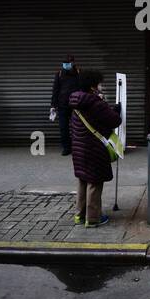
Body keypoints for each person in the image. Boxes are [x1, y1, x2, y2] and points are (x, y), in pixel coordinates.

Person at [69, 69, 122, 228]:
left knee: (83, 180)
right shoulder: (96, 103)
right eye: (99, 83)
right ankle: (93, 219)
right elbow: (114, 121)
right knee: (95, 182)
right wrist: (115, 110)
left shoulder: (77, 101)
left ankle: (79, 215)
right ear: (92, 86)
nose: (101, 86)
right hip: (93, 149)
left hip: (79, 148)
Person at [49, 55, 82, 156]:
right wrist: (53, 105)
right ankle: (66, 148)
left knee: (78, 127)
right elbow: (55, 90)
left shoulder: (79, 73)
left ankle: (78, 147)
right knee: (63, 127)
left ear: (73, 63)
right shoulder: (59, 74)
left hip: (76, 105)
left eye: (68, 63)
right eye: (64, 63)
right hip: (62, 105)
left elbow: (83, 87)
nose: (66, 65)